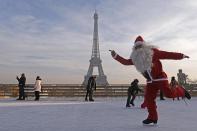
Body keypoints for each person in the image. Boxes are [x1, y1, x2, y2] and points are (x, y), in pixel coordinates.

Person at [110, 35, 191, 125]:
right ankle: (152, 117)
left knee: (168, 94)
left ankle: (181, 90)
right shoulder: (136, 59)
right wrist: (115, 56)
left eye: (140, 46)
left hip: (160, 78)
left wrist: (181, 55)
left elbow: (168, 54)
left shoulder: (153, 52)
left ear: (144, 46)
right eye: (136, 47)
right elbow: (125, 62)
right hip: (150, 81)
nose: (138, 49)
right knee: (148, 99)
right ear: (134, 49)